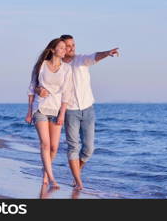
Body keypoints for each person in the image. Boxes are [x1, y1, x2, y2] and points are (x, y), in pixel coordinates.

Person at [36, 34, 119, 190]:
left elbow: (95, 56)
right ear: (60, 48)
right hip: (69, 111)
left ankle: (76, 171)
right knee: (72, 147)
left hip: (88, 108)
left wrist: (107, 53)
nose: (72, 48)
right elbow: (42, 82)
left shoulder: (81, 60)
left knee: (88, 149)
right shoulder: (56, 66)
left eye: (73, 45)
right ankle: (75, 180)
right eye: (68, 46)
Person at [25, 38, 73, 189]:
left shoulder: (67, 69)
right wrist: (29, 111)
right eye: (61, 48)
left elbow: (67, 94)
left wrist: (62, 114)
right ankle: (52, 179)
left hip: (56, 109)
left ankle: (45, 172)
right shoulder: (41, 66)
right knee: (45, 144)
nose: (64, 50)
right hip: (40, 108)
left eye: (65, 48)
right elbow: (32, 88)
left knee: (54, 147)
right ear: (52, 50)